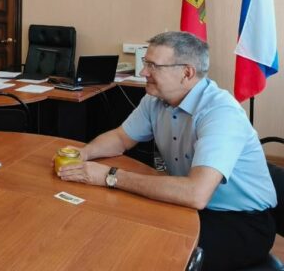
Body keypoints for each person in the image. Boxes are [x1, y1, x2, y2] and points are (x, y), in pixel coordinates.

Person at [55, 31, 276, 270]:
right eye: (145, 63)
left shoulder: (220, 112)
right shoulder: (155, 101)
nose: (143, 72)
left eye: (153, 66)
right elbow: (120, 138)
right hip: (187, 206)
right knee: (114, 225)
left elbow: (196, 193)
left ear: (187, 73)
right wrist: (84, 153)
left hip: (240, 221)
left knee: (142, 250)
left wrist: (111, 176)